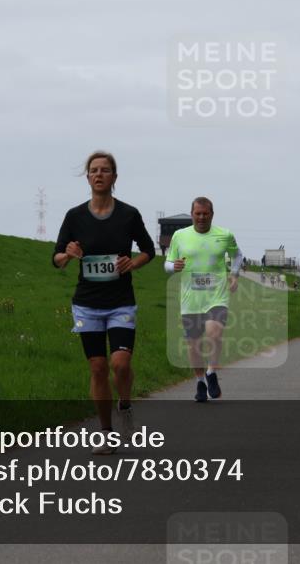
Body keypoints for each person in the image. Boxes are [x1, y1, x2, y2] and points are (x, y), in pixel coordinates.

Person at [52, 151, 156, 454]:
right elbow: (56, 259)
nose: (99, 174)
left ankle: (125, 405)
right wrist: (68, 255)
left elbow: (149, 249)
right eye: (94, 170)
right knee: (98, 368)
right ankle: (107, 433)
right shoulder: (75, 216)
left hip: (121, 301)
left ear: (114, 177)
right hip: (87, 304)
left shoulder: (128, 214)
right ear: (88, 177)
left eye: (105, 170)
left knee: (120, 364)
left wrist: (133, 264)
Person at [165, 197, 243, 402]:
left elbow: (237, 255)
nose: (201, 217)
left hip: (217, 295)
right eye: (197, 213)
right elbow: (167, 263)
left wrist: (234, 275)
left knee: (214, 332)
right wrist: (174, 267)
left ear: (212, 214)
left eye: (205, 213)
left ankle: (211, 372)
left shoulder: (224, 235)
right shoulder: (179, 236)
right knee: (194, 345)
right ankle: (200, 381)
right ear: (192, 214)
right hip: (191, 299)